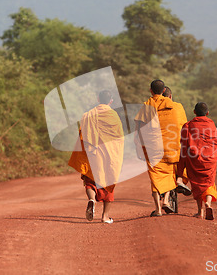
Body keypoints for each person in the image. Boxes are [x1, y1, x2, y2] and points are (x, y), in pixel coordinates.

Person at [68, 90, 124, 224]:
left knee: (91, 181)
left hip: (93, 154)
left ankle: (92, 200)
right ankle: (105, 216)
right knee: (108, 183)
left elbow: (82, 135)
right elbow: (119, 138)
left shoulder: (88, 115)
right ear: (111, 101)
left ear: (98, 99)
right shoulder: (114, 116)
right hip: (109, 154)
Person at [135, 80, 188, 217]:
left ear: (150, 90)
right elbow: (182, 126)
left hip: (153, 149)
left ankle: (158, 210)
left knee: (155, 178)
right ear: (164, 90)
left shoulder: (146, 107)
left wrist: (139, 146)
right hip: (171, 147)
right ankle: (166, 200)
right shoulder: (176, 107)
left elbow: (139, 129)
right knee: (170, 174)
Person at [177, 102, 217, 220]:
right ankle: (208, 203)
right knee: (209, 182)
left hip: (194, 158)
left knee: (196, 183)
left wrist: (181, 167)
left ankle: (200, 211)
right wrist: (212, 154)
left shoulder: (188, 125)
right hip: (209, 159)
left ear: (194, 112)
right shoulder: (211, 125)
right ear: (207, 113)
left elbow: (184, 144)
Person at [162, 86, 191, 196]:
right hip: (177, 143)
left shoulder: (153, 107)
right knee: (182, 159)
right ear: (170, 96)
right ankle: (179, 179)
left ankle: (164, 197)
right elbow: (184, 125)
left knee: (163, 171)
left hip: (160, 145)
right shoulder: (178, 107)